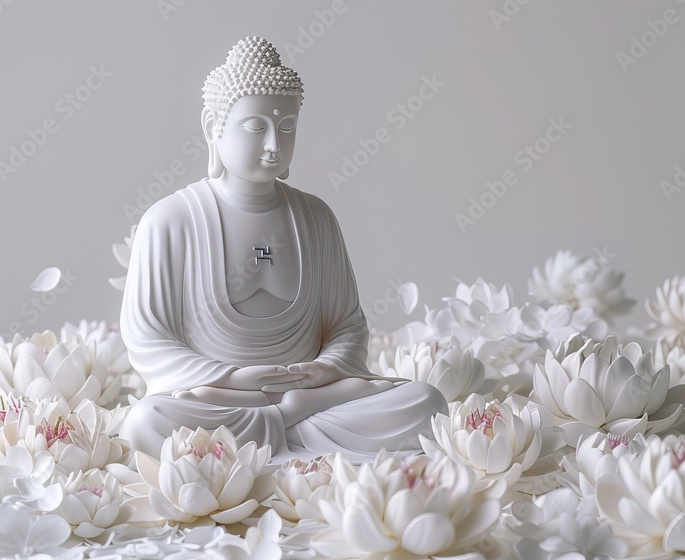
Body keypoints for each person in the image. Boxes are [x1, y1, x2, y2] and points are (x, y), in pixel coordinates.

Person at [119, 36, 446, 462]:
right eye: (257, 128)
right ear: (212, 126)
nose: (274, 144)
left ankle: (272, 437)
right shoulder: (170, 221)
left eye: (287, 128)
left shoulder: (315, 217)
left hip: (311, 394)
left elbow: (346, 325)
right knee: (146, 422)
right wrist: (236, 380)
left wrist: (326, 370)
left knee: (425, 402)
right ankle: (296, 430)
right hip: (224, 401)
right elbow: (148, 340)